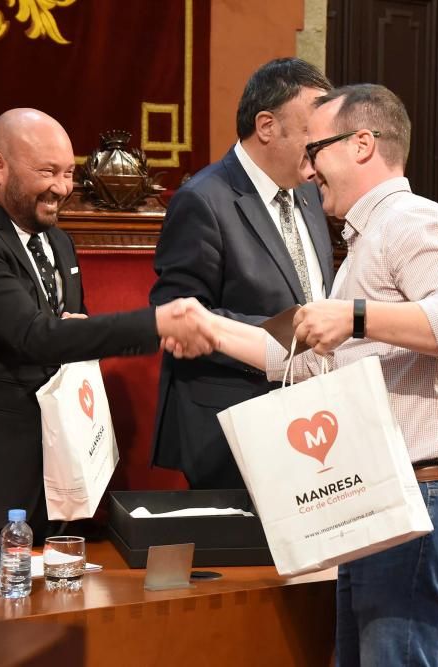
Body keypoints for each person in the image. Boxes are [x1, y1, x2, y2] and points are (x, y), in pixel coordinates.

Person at [181, 83, 438, 666]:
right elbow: (306, 359)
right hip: (386, 502)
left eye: (316, 150)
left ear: (361, 144)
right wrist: (210, 327)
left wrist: (353, 316)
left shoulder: (413, 222)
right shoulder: (364, 242)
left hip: (428, 499)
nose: (306, 169)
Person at [0, 108, 213, 554]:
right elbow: (37, 338)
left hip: (54, 485)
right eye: (48, 172)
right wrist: (157, 322)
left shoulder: (57, 241)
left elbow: (71, 335)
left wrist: (75, 330)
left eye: (70, 172)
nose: (63, 187)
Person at [149, 58, 335, 490]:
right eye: (312, 132)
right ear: (266, 126)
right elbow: (175, 314)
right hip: (232, 424)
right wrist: (295, 335)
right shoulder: (203, 199)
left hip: (309, 419)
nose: (321, 148)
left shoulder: (309, 195)